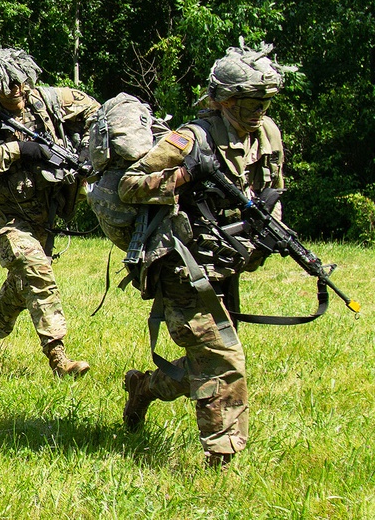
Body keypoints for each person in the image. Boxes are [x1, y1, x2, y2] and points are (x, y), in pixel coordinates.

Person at [117, 40, 290, 467]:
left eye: (265, 101)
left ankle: (145, 388)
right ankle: (221, 460)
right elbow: (128, 186)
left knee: (206, 363)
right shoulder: (190, 139)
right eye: (250, 101)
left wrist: (271, 230)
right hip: (181, 265)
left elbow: (274, 188)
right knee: (223, 360)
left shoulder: (267, 133)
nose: (258, 110)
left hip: (226, 262)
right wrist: (181, 176)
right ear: (224, 99)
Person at [0, 48, 98, 377]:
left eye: (20, 81)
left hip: (47, 216)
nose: (15, 90)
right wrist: (18, 150)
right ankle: (58, 357)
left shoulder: (49, 101)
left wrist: (85, 149)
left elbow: (95, 110)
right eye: (7, 85)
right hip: (12, 221)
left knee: (21, 286)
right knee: (37, 273)